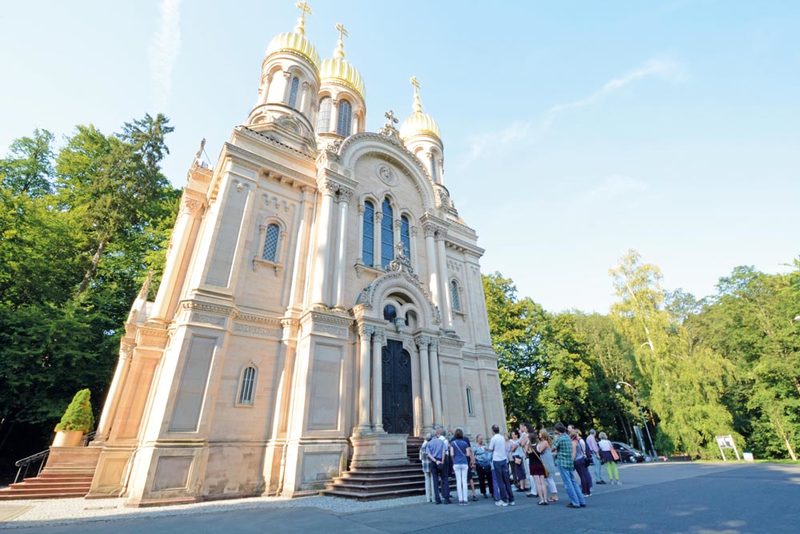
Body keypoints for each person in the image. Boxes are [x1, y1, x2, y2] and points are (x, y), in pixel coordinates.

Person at [553, 422, 586, 508]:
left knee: (568, 483)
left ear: (557, 430)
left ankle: (575, 502)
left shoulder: (560, 438)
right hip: (570, 462)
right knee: (573, 482)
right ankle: (581, 500)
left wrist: (555, 438)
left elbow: (553, 448)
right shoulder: (568, 437)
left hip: (562, 462)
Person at [488, 424, 515, 507]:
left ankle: (504, 500)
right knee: (506, 480)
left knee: (500, 481)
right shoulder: (502, 438)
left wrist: (485, 448)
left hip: (497, 460)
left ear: (493, 430)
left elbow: (491, 449)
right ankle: (511, 499)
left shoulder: (493, 438)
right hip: (504, 459)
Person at [426, 427, 451, 504]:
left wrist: (435, 461)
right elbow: (444, 451)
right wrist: (442, 461)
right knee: (445, 479)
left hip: (434, 462)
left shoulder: (429, 443)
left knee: (435, 481)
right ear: (436, 435)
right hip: (441, 461)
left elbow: (428, 454)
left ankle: (437, 499)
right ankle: (446, 498)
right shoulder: (441, 442)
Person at [450, 428, 473, 505]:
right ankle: (465, 499)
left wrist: (454, 461)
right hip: (464, 463)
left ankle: (460, 500)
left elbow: (452, 454)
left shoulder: (453, 443)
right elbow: (468, 454)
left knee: (458, 482)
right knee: (464, 481)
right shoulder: (465, 443)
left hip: (456, 463)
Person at [528, 430, 551, 505]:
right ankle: (545, 499)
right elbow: (541, 452)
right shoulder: (539, 445)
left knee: (537, 483)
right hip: (540, 464)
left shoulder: (529, 447)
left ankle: (541, 499)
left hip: (533, 465)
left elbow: (526, 453)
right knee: (543, 483)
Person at [538, 429, 559, 502]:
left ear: (543, 434)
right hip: (545, 461)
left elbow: (539, 450)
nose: (539, 434)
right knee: (548, 479)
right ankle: (553, 495)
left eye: (540, 433)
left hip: (547, 462)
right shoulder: (543, 442)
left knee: (549, 479)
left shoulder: (545, 442)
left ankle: (554, 495)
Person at [572, 429, 593, 497]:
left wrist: (572, 460)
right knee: (584, 475)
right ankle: (588, 491)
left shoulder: (574, 442)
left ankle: (585, 491)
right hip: (582, 458)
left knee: (582, 476)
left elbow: (574, 453)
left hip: (577, 460)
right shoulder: (580, 441)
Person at [472, 434, 493, 499]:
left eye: (482, 438)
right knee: (481, 479)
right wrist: (474, 463)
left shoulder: (485, 446)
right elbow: (473, 455)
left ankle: (492, 491)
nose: (481, 440)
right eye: (480, 439)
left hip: (487, 464)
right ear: (477, 439)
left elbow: (490, 453)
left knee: (490, 478)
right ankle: (484, 492)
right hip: (479, 464)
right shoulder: (475, 447)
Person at [518, 423, 533, 494]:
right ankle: (533, 489)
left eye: (523, 427)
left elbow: (521, 443)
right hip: (528, 455)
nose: (522, 429)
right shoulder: (529, 435)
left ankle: (533, 490)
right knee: (530, 473)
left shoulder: (526, 435)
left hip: (527, 455)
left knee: (529, 473)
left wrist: (522, 445)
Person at [420, 433, 434, 502]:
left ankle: (428, 498)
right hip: (431, 463)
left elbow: (421, 457)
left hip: (425, 464)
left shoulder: (423, 445)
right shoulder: (431, 444)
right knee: (432, 480)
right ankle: (433, 497)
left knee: (427, 481)